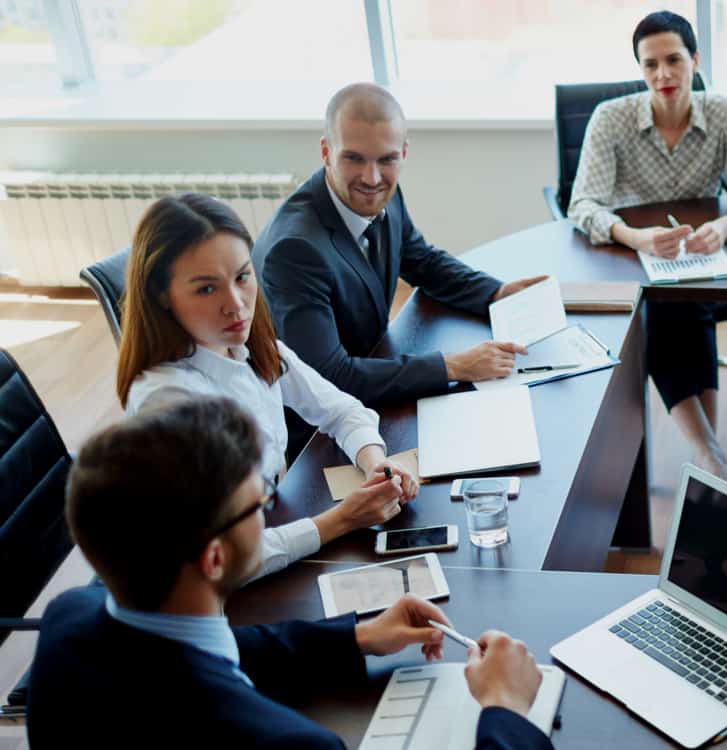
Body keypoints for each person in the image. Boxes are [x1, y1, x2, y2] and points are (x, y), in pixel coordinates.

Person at [28, 399, 552, 749]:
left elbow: (206, 652)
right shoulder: (290, 746)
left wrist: (358, 639)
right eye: (262, 503)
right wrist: (505, 708)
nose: (269, 510)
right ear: (214, 559)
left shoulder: (69, 618)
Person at [117, 193, 418, 581]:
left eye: (242, 277)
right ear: (162, 297)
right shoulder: (167, 401)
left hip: (273, 526)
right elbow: (222, 561)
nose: (237, 305)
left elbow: (341, 409)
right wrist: (341, 520)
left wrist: (377, 464)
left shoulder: (247, 344)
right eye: (207, 289)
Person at [567, 11, 727, 483]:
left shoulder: (722, 113)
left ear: (695, 60)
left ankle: (708, 460)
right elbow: (581, 205)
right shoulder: (612, 118)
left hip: (698, 257)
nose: (663, 75)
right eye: (650, 65)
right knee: (670, 307)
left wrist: (725, 226)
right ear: (640, 69)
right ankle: (710, 457)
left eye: (673, 60)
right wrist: (634, 235)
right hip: (628, 260)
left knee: (682, 304)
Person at [255, 82, 546, 406]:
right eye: (354, 159)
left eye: (387, 159)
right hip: (320, 424)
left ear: (404, 152)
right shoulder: (294, 251)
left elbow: (421, 260)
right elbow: (329, 377)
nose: (372, 178)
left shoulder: (384, 196)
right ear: (326, 152)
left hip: (375, 369)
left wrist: (496, 293)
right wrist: (455, 366)